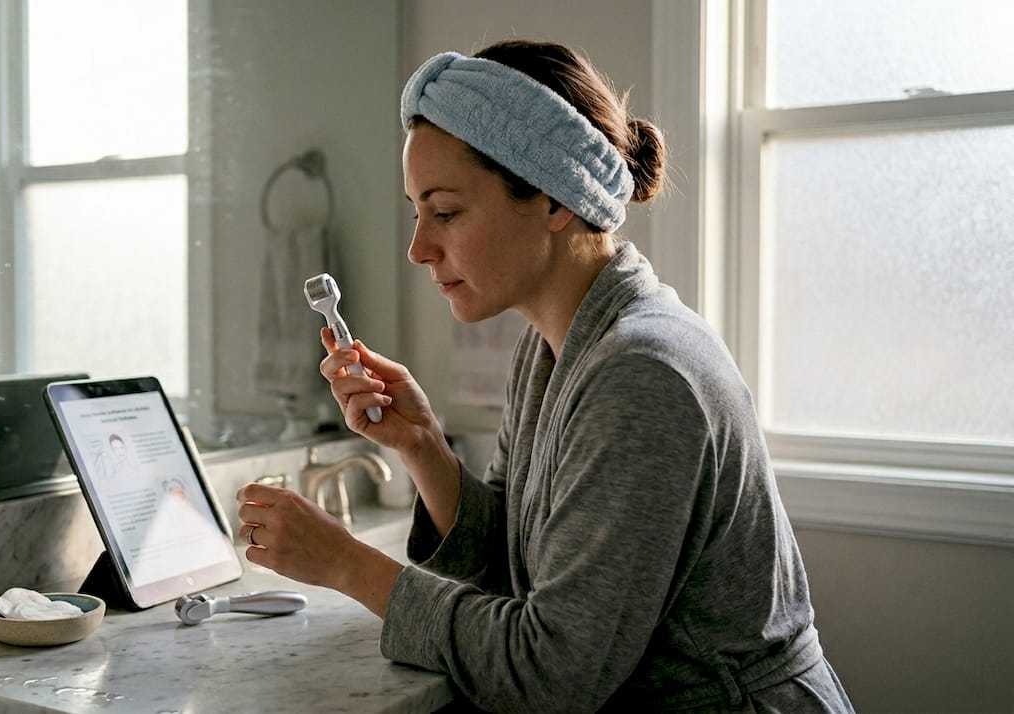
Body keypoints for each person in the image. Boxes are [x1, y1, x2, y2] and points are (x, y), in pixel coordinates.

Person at [234, 40, 854, 712]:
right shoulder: (555, 347)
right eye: (418, 213)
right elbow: (521, 570)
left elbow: (551, 672)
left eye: (445, 212)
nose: (419, 249)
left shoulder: (641, 374)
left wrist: (348, 565)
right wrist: (425, 450)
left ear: (555, 200)